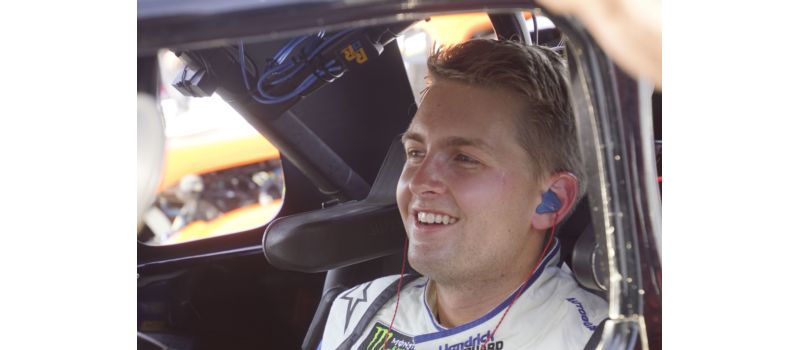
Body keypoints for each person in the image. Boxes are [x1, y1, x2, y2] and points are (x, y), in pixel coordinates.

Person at [318, 39, 608, 350]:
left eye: (465, 158)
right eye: (416, 152)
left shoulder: (600, 340)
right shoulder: (356, 311)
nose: (419, 181)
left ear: (551, 200)